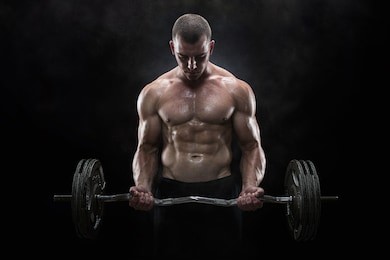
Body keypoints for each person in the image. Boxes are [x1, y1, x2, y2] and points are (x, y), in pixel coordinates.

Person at [129, 13, 266, 258]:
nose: (192, 66)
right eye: (183, 57)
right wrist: (143, 187)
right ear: (172, 48)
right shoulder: (154, 93)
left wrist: (249, 187)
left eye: (200, 57)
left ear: (211, 47)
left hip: (223, 193)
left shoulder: (236, 90)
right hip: (170, 194)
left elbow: (251, 146)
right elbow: (146, 147)